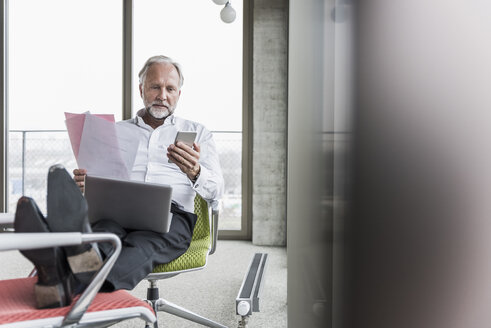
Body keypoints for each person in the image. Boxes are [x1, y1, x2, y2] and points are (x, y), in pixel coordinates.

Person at [14, 55, 224, 309]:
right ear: (141, 90)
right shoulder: (115, 131)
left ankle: (57, 273)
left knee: (140, 247)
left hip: (170, 217)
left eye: (170, 89)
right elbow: (100, 177)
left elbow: (217, 192)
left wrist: (195, 171)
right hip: (118, 211)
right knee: (101, 237)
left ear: (179, 93)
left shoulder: (199, 132)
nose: (162, 95)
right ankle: (65, 268)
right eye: (155, 86)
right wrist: (86, 185)